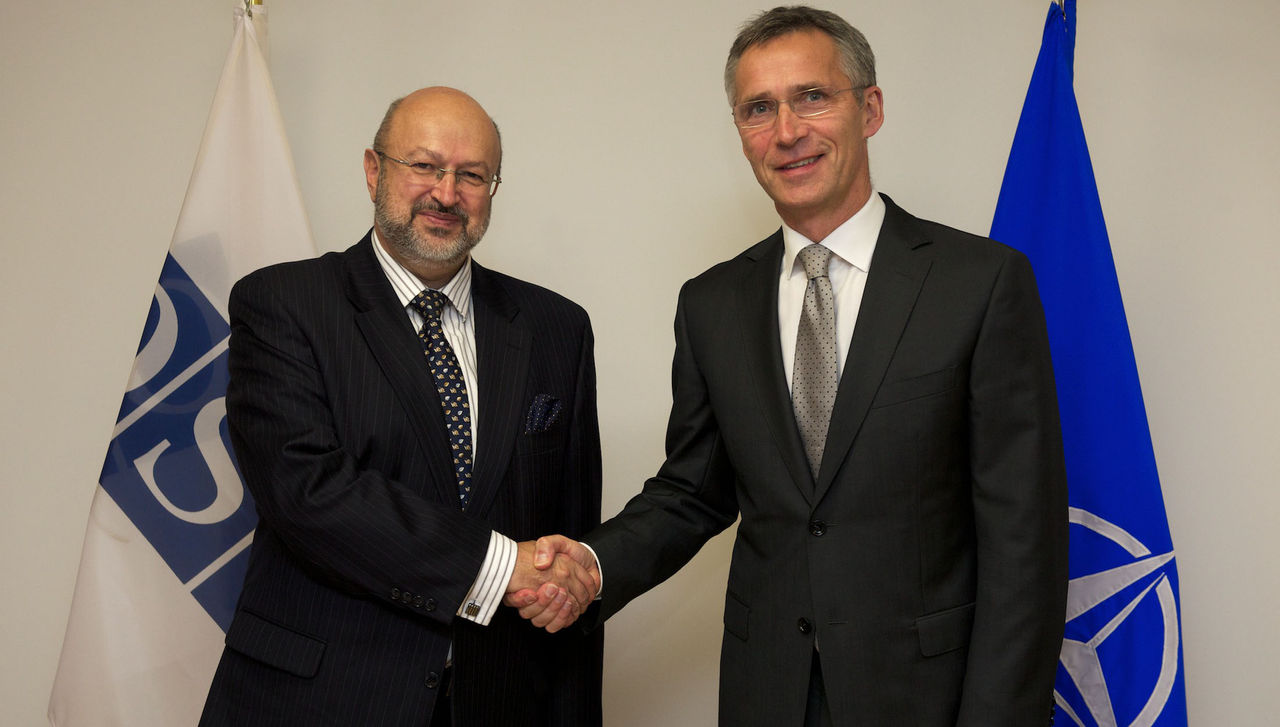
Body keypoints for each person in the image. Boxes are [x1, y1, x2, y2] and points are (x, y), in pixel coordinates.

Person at [517, 7, 1068, 726]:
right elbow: (692, 491)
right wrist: (592, 564)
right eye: (758, 109)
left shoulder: (982, 283)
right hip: (766, 691)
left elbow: (1024, 541)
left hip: (929, 696)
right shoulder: (712, 303)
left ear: (869, 108)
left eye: (812, 96)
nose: (786, 131)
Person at [200, 87, 603, 727]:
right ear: (373, 171)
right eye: (424, 165)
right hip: (316, 701)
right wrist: (500, 565)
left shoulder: (556, 327)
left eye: (472, 175)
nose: (446, 193)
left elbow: (569, 540)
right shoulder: (283, 303)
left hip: (500, 701)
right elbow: (306, 491)